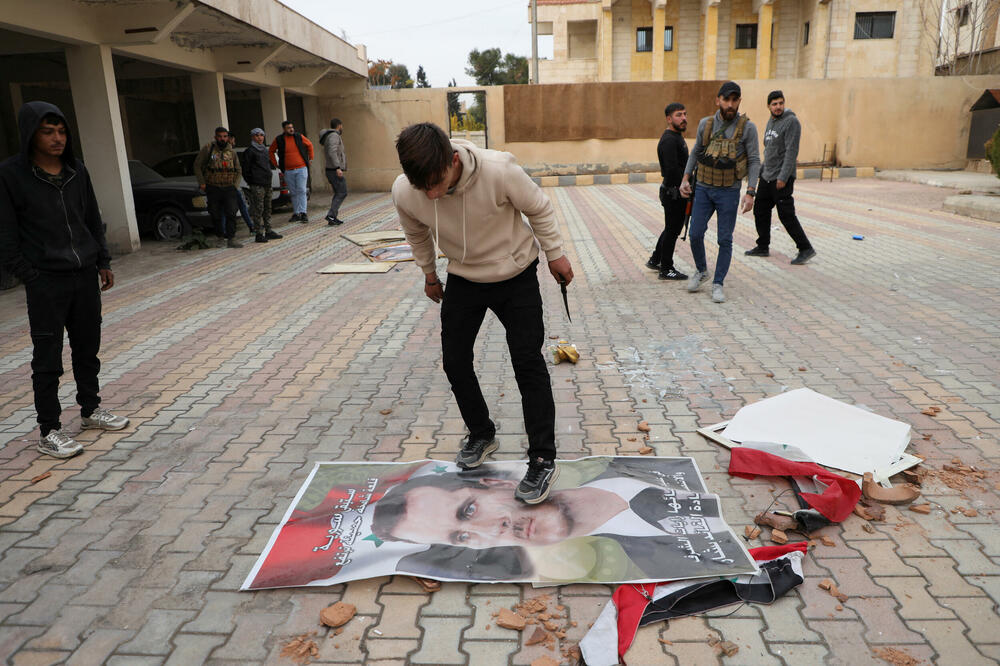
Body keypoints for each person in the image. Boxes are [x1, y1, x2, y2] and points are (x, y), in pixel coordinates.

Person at [391, 122, 573, 504]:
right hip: (464, 277)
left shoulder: (499, 170)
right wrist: (429, 274)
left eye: (437, 182)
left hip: (516, 274)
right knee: (455, 361)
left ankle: (542, 458)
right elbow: (417, 232)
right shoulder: (407, 191)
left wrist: (555, 253)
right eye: (423, 187)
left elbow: (539, 208)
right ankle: (481, 434)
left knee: (527, 363)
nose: (432, 193)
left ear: (453, 160)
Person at [0, 101, 130, 459]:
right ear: (31, 134)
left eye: (61, 131)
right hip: (46, 282)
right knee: (48, 359)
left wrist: (102, 260)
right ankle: (50, 430)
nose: (57, 138)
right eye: (47, 131)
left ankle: (90, 410)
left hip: (84, 275)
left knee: (87, 349)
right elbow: (6, 236)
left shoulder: (76, 170)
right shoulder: (11, 175)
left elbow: (92, 217)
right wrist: (31, 276)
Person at [370, 467, 744, 580]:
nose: (490, 532)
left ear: (498, 484)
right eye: (461, 536)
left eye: (468, 511)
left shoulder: (636, 470)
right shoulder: (649, 566)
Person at [679, 81, 760, 304]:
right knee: (695, 234)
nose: (730, 104)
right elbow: (695, 153)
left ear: (739, 101)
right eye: (726, 99)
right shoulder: (705, 125)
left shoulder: (747, 128)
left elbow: (754, 160)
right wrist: (685, 179)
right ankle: (702, 270)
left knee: (724, 239)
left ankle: (718, 283)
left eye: (735, 100)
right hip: (704, 188)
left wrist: (751, 192)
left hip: (729, 191)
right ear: (718, 100)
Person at [746, 90, 816, 265]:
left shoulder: (791, 122)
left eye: (780, 103)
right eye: (774, 104)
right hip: (767, 175)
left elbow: (791, 151)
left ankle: (805, 248)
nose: (778, 107)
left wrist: (783, 177)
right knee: (760, 210)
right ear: (768, 106)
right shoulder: (771, 121)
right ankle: (762, 246)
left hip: (781, 177)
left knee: (786, 215)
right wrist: (762, 172)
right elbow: (769, 150)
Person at [645, 102, 689, 281]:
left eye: (685, 114)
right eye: (679, 115)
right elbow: (672, 171)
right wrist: (685, 186)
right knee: (672, 230)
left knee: (670, 228)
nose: (684, 118)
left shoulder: (676, 136)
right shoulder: (669, 140)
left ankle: (656, 259)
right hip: (674, 193)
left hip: (675, 191)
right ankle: (666, 268)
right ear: (669, 119)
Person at [193, 126, 243, 249]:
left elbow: (238, 169)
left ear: (228, 137)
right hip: (213, 187)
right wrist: (202, 183)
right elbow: (197, 165)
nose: (222, 139)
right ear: (215, 137)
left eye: (225, 136)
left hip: (229, 187)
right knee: (215, 214)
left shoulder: (231, 151)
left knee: (231, 213)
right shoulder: (208, 149)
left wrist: (235, 185)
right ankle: (220, 237)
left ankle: (231, 238)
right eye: (220, 136)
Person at [242, 128, 282, 243]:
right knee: (258, 209)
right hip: (257, 184)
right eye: (257, 135)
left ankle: (268, 231)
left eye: (261, 135)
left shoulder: (264, 150)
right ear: (252, 137)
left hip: (267, 183)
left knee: (268, 208)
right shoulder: (250, 151)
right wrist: (252, 182)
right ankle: (258, 233)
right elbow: (246, 170)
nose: (260, 138)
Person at [269, 120, 313, 223]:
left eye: (292, 127)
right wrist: (276, 163)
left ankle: (303, 213)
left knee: (301, 190)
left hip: (301, 168)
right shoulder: (279, 139)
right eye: (289, 128)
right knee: (293, 192)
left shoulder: (299, 136)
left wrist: (310, 158)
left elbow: (310, 145)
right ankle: (296, 213)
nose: (291, 129)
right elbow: (271, 151)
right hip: (288, 170)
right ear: (284, 129)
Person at [320, 118, 348, 226]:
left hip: (332, 169)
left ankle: (333, 216)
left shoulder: (331, 136)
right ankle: (331, 215)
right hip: (333, 170)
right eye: (342, 126)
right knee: (342, 192)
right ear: (339, 125)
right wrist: (337, 167)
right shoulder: (334, 136)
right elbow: (332, 152)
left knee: (339, 192)